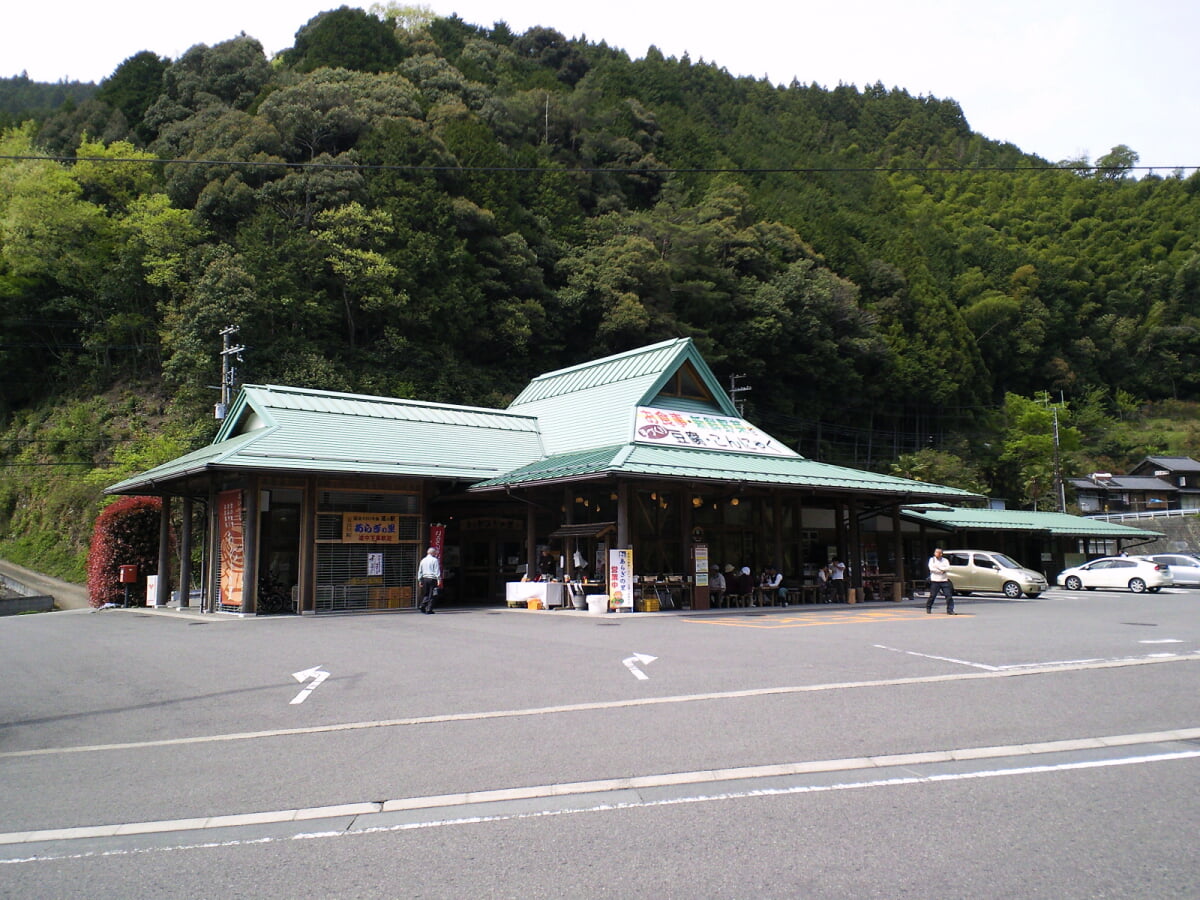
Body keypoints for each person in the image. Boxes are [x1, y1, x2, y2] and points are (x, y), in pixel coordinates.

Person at [927, 547, 955, 614]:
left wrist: (939, 568)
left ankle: (950, 610)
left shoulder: (945, 560)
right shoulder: (932, 560)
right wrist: (941, 570)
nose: (937, 554)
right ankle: (928, 607)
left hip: (944, 580)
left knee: (948, 596)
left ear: (941, 554)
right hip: (935, 580)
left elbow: (948, 568)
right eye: (936, 552)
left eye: (939, 552)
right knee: (932, 595)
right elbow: (931, 569)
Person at [417, 546, 441, 614]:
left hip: (425, 579)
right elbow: (437, 570)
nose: (436, 553)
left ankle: (422, 605)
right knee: (432, 594)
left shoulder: (423, 560)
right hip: (432, 579)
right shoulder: (434, 560)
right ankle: (429, 609)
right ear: (433, 553)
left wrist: (420, 580)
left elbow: (420, 571)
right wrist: (439, 579)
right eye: (435, 552)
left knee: (426, 593)